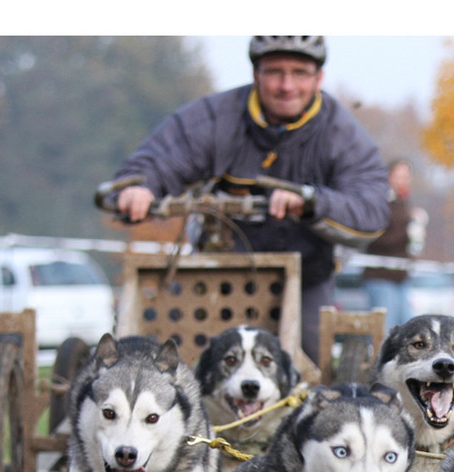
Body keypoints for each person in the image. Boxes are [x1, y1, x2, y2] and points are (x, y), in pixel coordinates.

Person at [114, 36, 391, 363]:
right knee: (169, 346)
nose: (287, 85)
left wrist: (313, 202)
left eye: (299, 73)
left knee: (313, 364)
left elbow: (371, 207)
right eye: (274, 72)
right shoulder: (218, 118)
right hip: (217, 271)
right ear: (255, 74)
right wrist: (141, 187)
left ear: (319, 77)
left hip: (304, 277)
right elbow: (163, 155)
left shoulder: (339, 133)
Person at [362, 158, 427, 327]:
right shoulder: (379, 202)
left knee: (407, 329)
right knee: (385, 332)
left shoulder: (405, 203)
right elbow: (374, 237)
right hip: (380, 276)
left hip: (402, 277)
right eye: (399, 176)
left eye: (406, 176)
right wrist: (407, 229)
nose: (403, 180)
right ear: (389, 177)